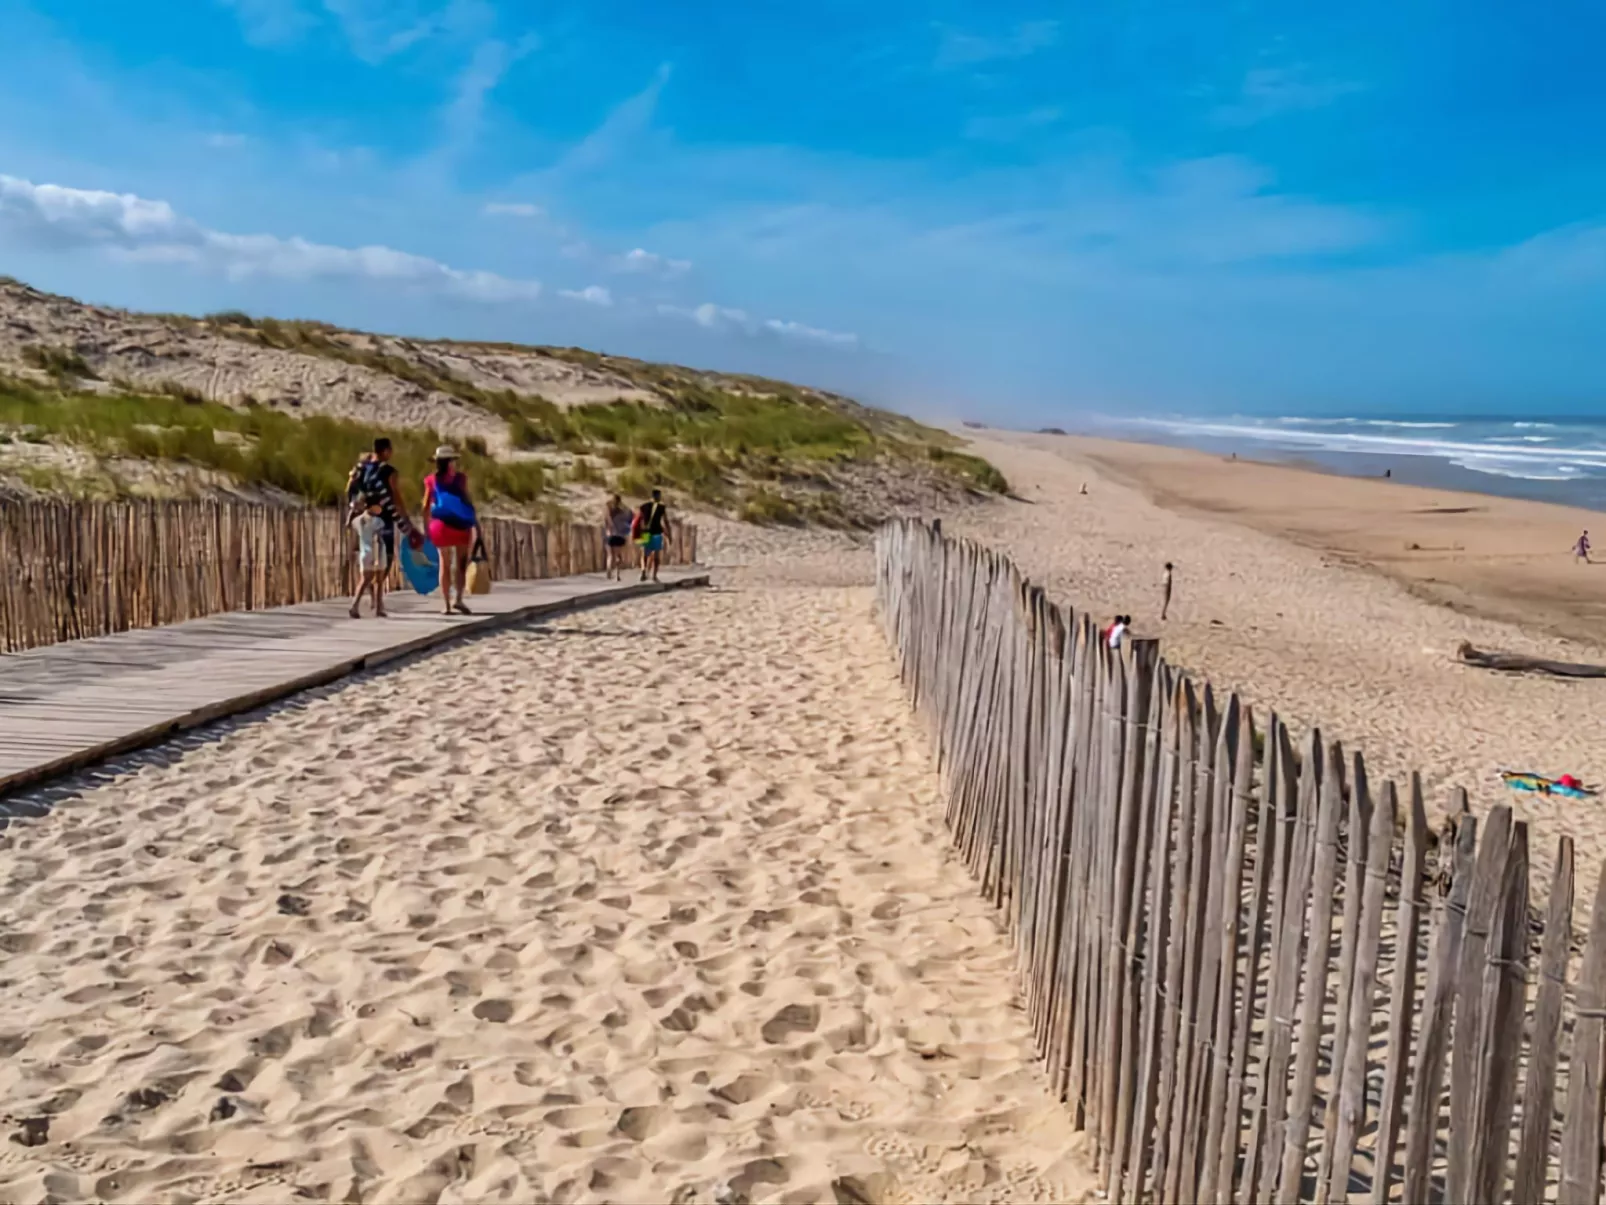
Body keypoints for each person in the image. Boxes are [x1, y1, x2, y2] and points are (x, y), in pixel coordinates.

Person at [346, 437, 414, 617]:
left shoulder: (362, 468)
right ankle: (377, 603)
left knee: (369, 559)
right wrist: (405, 518)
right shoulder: (389, 472)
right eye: (390, 450)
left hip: (365, 519)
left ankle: (377, 603)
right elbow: (396, 497)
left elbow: (350, 489)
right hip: (384, 519)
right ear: (385, 451)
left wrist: (355, 506)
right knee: (385, 561)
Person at [421, 445, 480, 615]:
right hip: (460, 524)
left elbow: (425, 506)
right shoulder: (460, 479)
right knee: (461, 563)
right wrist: (474, 522)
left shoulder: (431, 480)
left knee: (444, 564)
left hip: (440, 525)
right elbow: (467, 501)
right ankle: (458, 599)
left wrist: (426, 527)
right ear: (450, 462)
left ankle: (446, 604)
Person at [634, 488, 670, 582]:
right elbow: (666, 521)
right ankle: (654, 575)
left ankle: (643, 570)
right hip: (657, 533)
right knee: (656, 555)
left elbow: (639, 520)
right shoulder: (661, 508)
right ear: (658, 496)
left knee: (645, 553)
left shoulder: (643, 506)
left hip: (646, 532)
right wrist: (669, 534)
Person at [603, 494, 633, 580]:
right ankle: (617, 575)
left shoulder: (608, 513)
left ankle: (609, 572)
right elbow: (630, 516)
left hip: (610, 534)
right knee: (618, 556)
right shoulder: (621, 512)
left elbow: (606, 523)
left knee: (610, 555)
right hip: (619, 535)